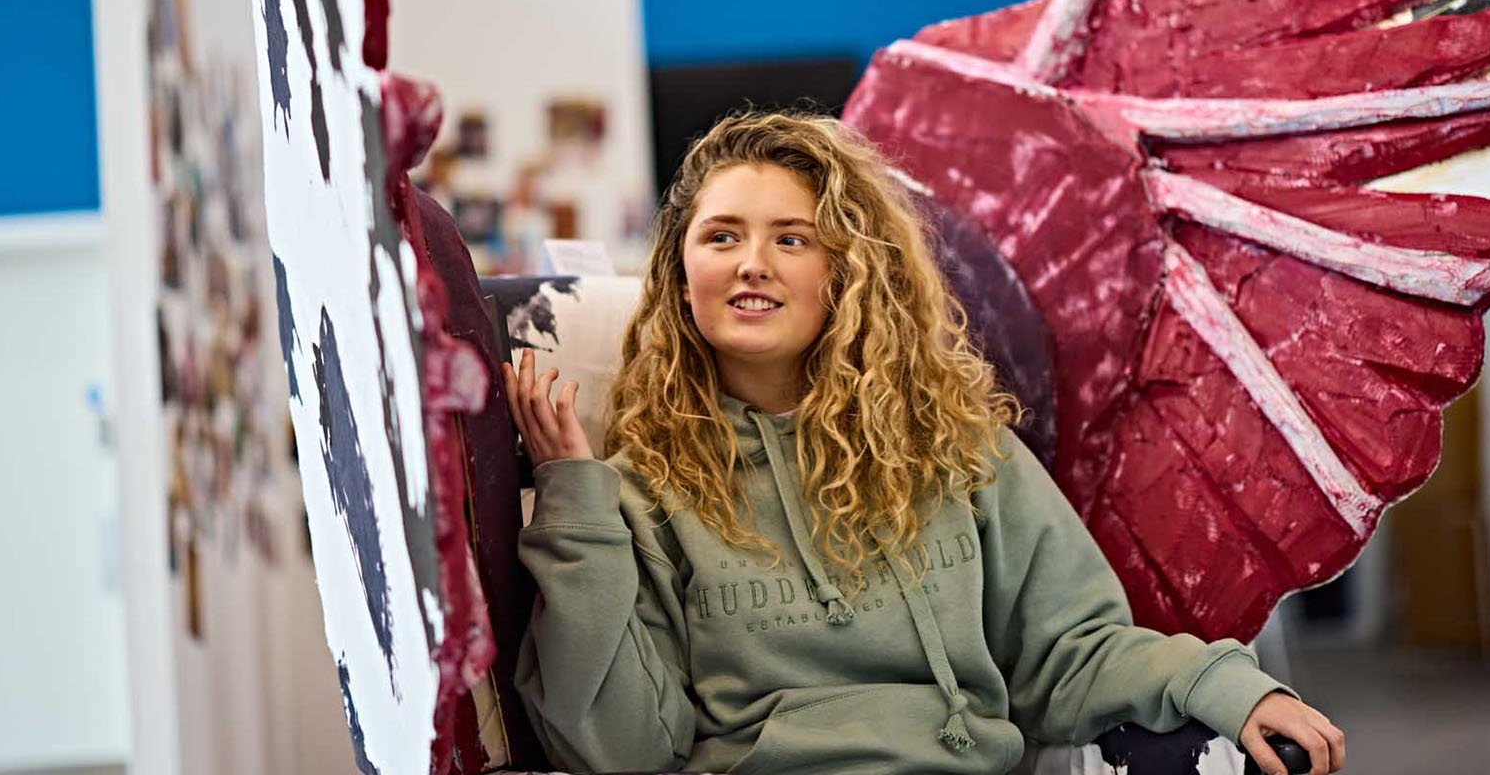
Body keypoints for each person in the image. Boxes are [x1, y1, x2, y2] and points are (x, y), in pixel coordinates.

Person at [507, 112, 1344, 775]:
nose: (751, 263)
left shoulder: (960, 453)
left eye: (791, 239)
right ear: (681, 276)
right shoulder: (637, 493)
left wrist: (1220, 684)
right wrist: (574, 505)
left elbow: (1070, 654)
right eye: (721, 236)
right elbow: (622, 747)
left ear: (847, 273)